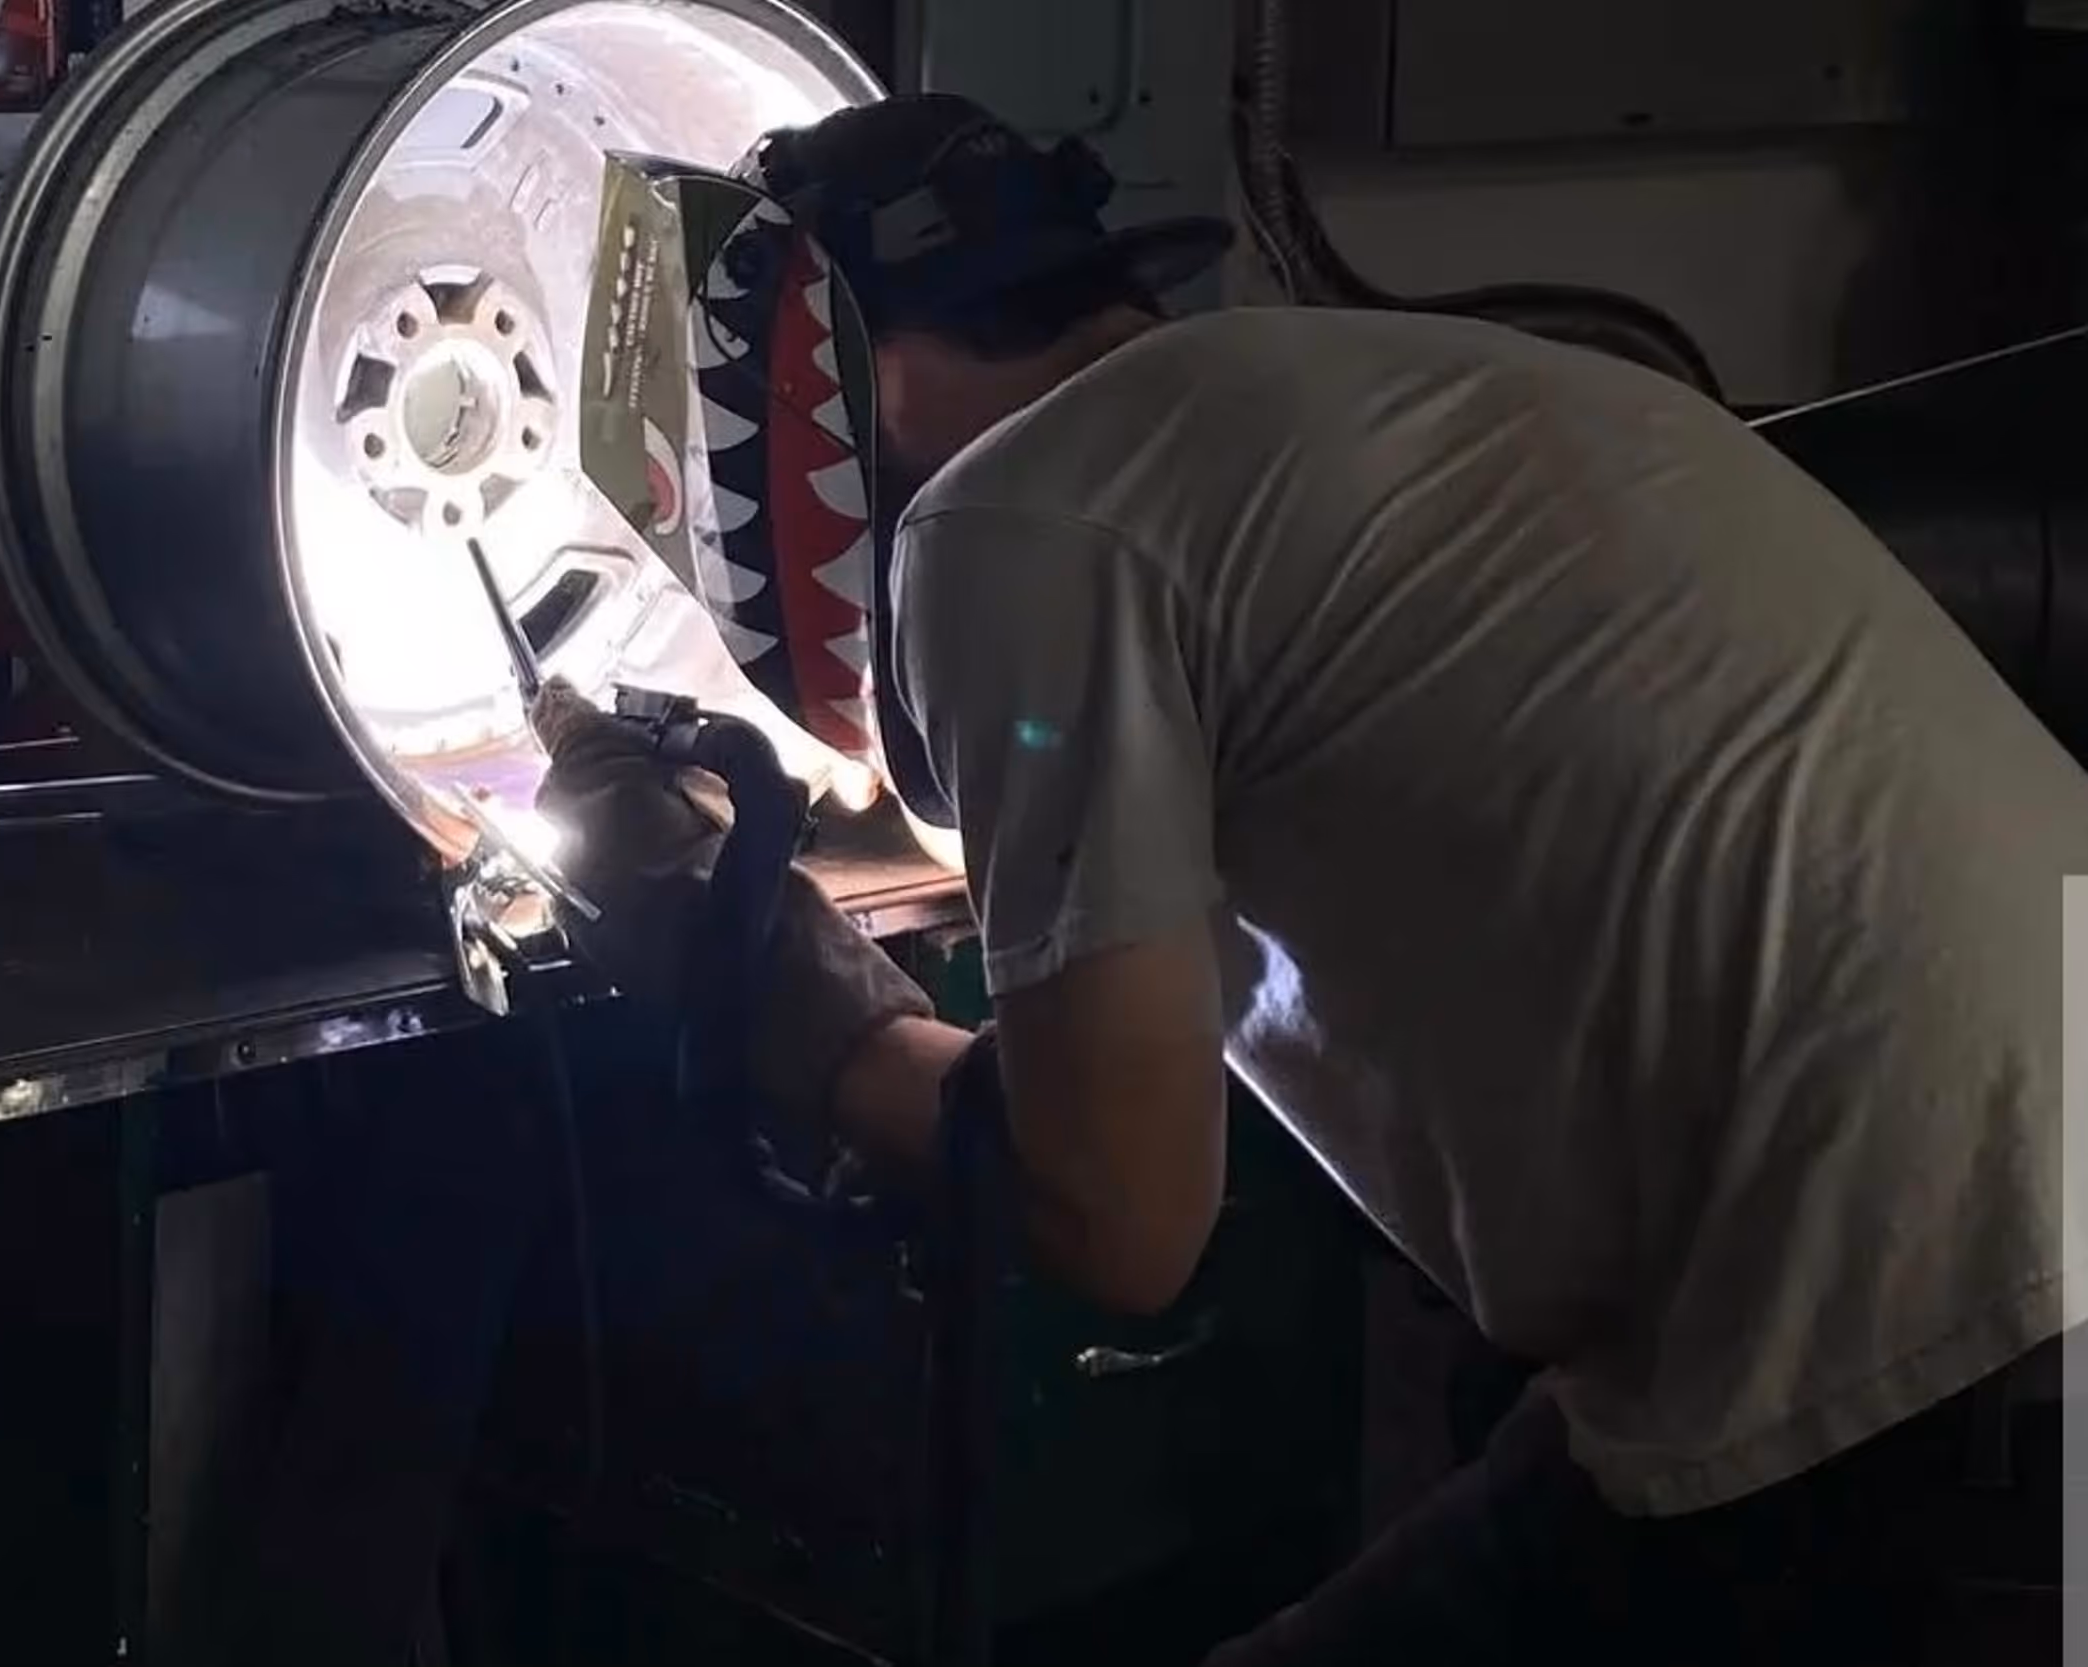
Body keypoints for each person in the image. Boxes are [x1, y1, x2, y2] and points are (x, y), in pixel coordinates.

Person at [531, 93, 2084, 1662]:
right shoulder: (1385, 395)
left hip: (1941, 1352)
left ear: (838, 378)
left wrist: (775, 983)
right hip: (1953, 1275)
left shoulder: (1014, 516)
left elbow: (1119, 1218)